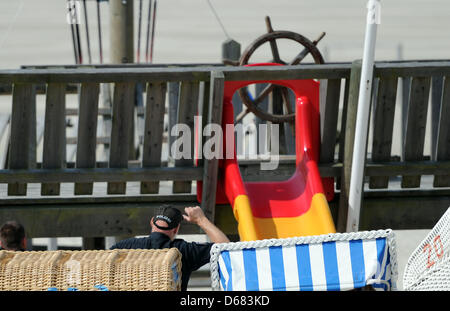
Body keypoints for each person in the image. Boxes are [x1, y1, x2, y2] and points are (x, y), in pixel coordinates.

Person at [110, 205, 230, 291]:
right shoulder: (183, 251)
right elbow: (226, 247)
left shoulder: (125, 247)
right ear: (176, 229)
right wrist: (201, 220)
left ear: (152, 222)